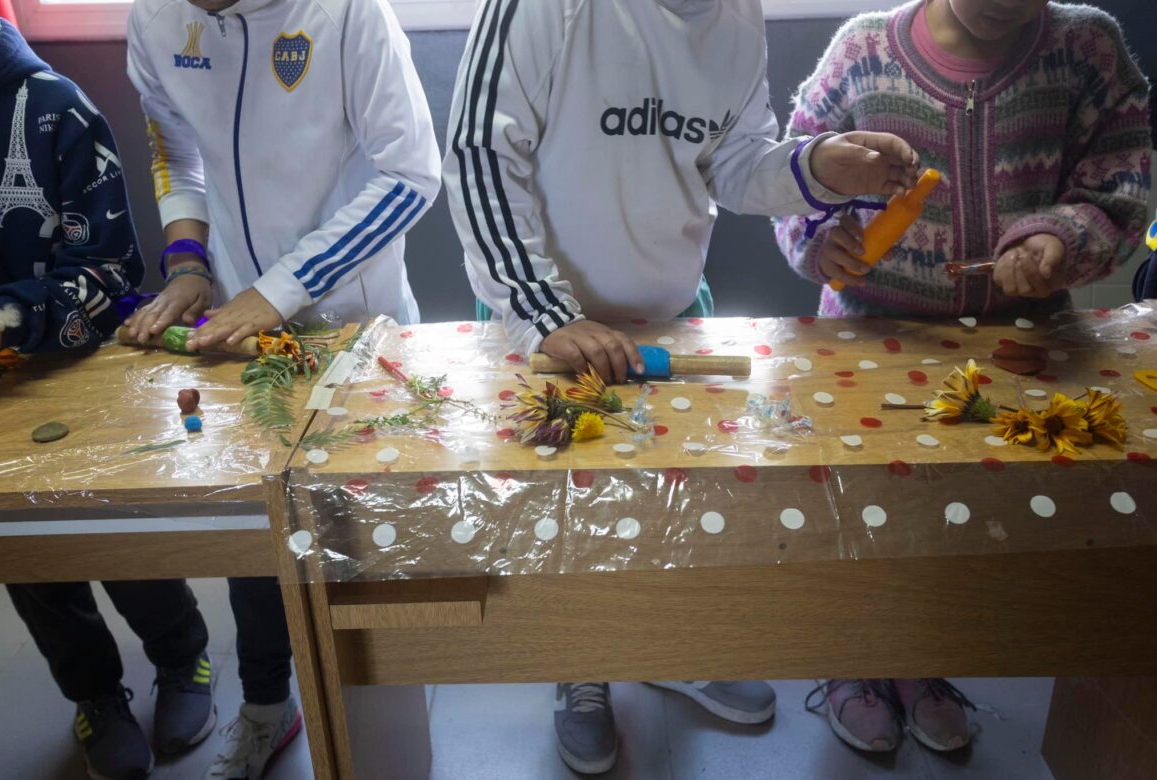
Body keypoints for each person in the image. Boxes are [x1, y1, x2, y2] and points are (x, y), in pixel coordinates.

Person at [443, 0, 921, 772]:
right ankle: (583, 668)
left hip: (670, 317)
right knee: (570, 524)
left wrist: (812, 166)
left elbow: (733, 164)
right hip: (549, 327)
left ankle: (667, 647)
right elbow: (477, 152)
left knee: (668, 512)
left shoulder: (739, 14)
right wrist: (541, 313)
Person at [776, 0, 1151, 754]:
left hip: (1022, 344)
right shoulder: (861, 53)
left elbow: (1123, 183)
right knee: (863, 513)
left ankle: (924, 661)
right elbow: (792, 178)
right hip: (869, 342)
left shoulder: (1089, 49)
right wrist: (819, 242)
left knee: (961, 521)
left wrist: (1060, 236)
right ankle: (853, 665)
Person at [124, 0, 440, 777]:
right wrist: (190, 258)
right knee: (259, 536)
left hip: (352, 319)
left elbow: (412, 176)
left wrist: (284, 287)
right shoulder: (156, 18)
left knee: (367, 543)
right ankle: (267, 705)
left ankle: (394, 711)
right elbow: (173, 141)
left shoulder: (350, 15)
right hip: (240, 324)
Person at [0, 13, 216, 780]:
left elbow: (109, 274)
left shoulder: (55, 109)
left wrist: (8, 318)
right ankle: (94, 694)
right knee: (27, 559)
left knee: (117, 535)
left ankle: (184, 659)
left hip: (74, 370)